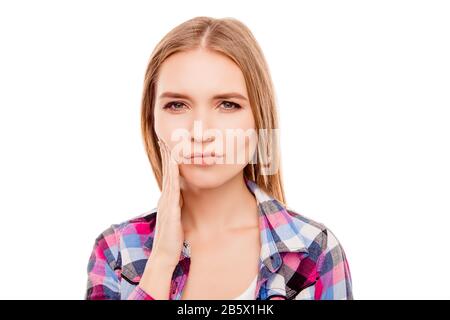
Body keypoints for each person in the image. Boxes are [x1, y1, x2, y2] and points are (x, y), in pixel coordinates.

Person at [85, 16, 353, 300]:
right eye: (177, 105)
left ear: (258, 118)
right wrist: (162, 259)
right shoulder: (115, 252)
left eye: (228, 104)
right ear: (152, 120)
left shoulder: (314, 253)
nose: (200, 132)